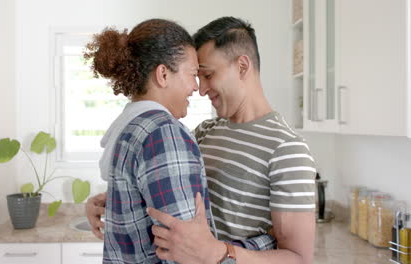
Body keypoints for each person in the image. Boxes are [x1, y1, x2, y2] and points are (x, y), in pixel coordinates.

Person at [88, 16, 316, 264]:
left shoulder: (287, 149)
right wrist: (116, 200)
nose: (201, 89)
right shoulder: (203, 132)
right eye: (196, 75)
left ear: (242, 66)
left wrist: (219, 253)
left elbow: (299, 259)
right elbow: (165, 192)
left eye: (206, 74)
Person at [83, 18, 213, 263]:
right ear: (163, 74)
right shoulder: (164, 133)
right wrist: (263, 242)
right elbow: (188, 253)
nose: (196, 86)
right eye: (193, 74)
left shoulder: (129, 129)